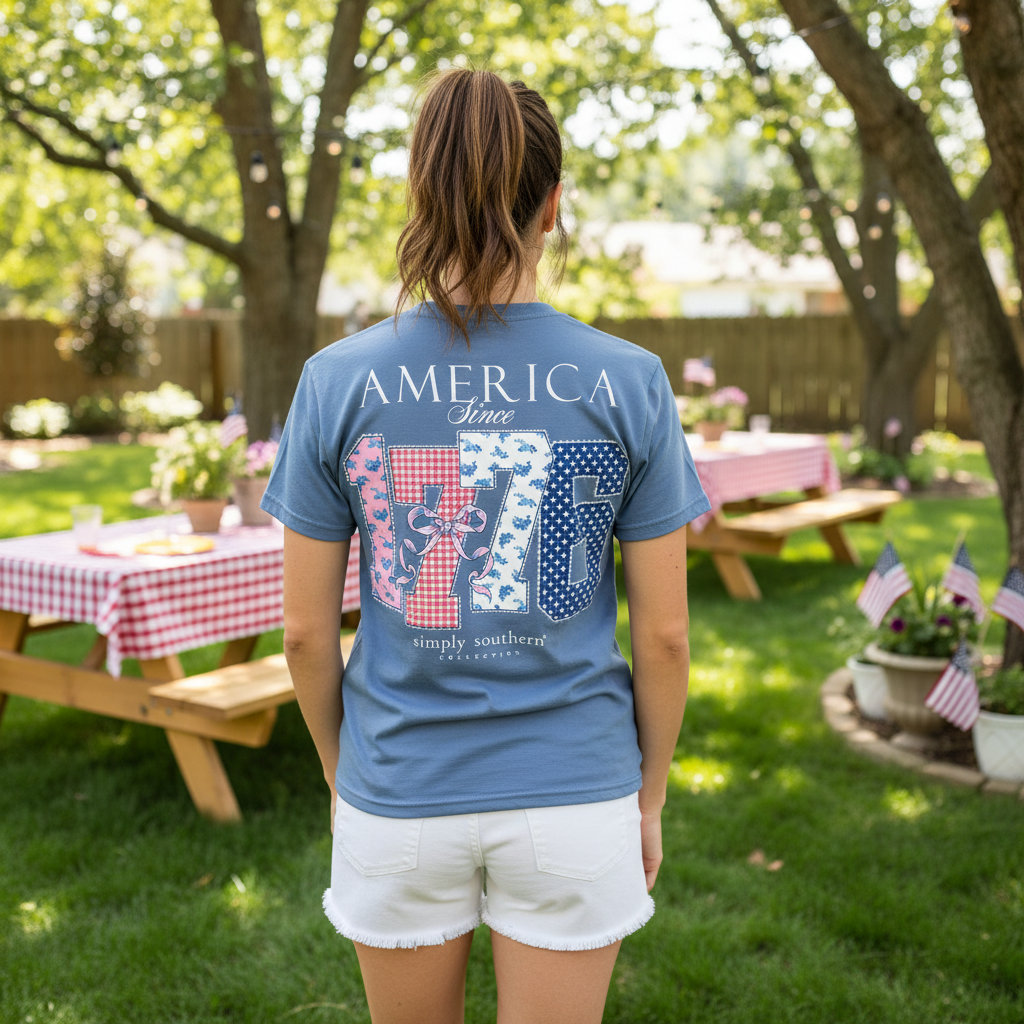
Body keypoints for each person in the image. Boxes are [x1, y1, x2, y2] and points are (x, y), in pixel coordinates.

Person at [260, 68, 711, 1024]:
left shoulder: (338, 380)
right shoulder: (630, 381)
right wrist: (651, 795)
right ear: (554, 206)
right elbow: (665, 639)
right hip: (577, 794)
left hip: (398, 788)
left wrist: (349, 781)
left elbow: (304, 633)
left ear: (423, 199)